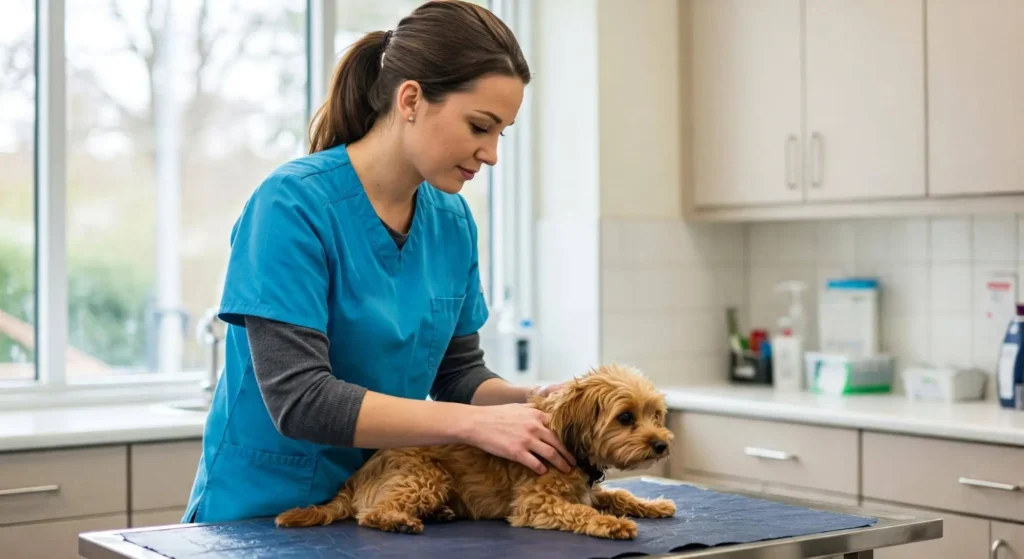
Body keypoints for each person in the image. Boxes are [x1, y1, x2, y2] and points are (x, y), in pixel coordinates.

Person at [182, 0, 574, 524]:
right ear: (411, 99)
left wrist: (529, 401)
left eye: (499, 133)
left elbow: (458, 375)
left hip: (387, 509)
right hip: (263, 513)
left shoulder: (452, 221)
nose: (491, 154)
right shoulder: (291, 205)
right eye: (479, 126)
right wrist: (470, 425)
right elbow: (300, 399)